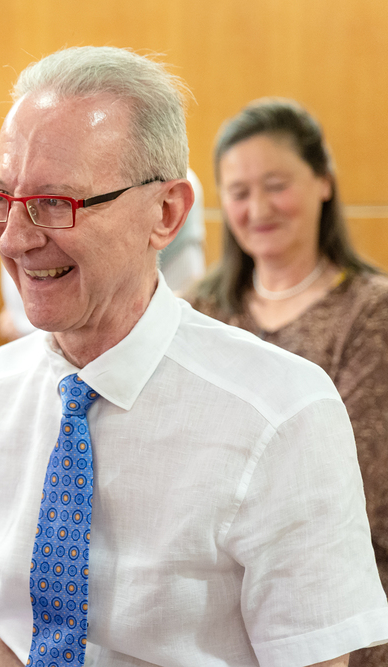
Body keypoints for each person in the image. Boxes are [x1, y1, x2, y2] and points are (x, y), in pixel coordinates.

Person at [0, 46, 388, 666]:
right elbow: (5, 638)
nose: (16, 238)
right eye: (1, 198)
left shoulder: (281, 413)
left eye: (56, 203)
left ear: (166, 213)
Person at [187, 98, 388, 667]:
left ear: (323, 182)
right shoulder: (197, 310)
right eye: (239, 192)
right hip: (204, 612)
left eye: (276, 186)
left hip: (336, 612)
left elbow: (353, 485)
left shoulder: (371, 312)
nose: (257, 209)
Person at [0, 168, 205, 342]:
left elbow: (183, 296)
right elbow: (20, 315)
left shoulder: (163, 179)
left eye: (53, 201)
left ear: (164, 212)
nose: (8, 244)